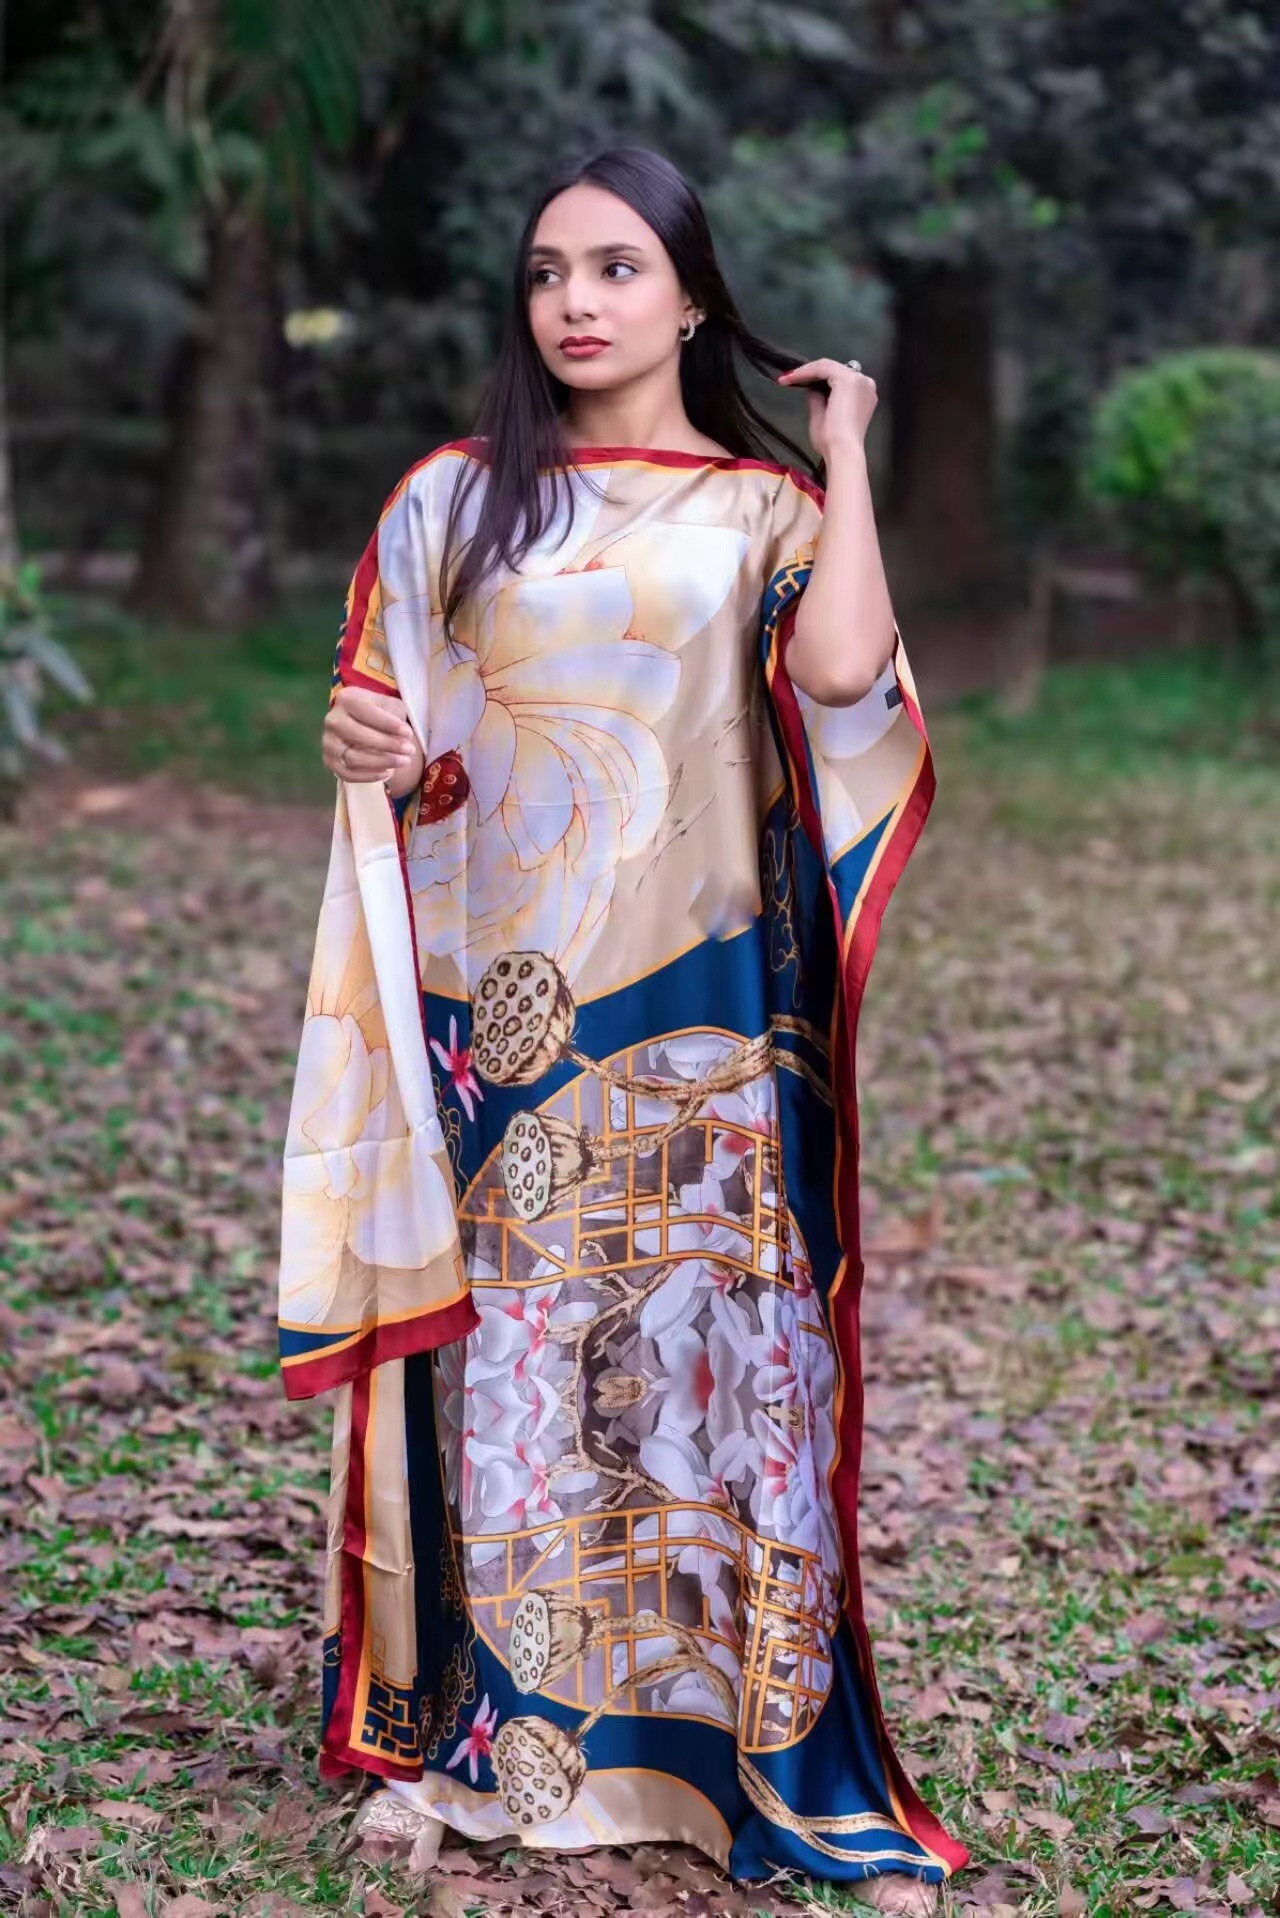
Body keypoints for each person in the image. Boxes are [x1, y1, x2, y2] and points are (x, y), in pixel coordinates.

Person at [278, 144, 968, 1910]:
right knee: (516, 1372)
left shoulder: (762, 511)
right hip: (501, 1023)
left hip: (707, 1016)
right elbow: (393, 723)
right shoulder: (452, 500)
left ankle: (732, 1749)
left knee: (710, 1353)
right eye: (546, 272)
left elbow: (844, 679)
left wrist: (845, 451)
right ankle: (492, 1742)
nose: (574, 302)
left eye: (614, 268)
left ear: (691, 297)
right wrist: (368, 751)